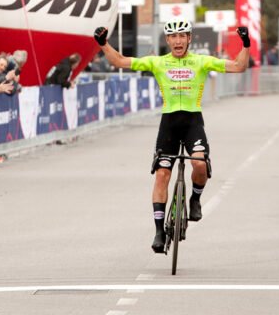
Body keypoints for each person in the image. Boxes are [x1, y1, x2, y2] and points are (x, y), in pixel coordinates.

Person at [93, 18, 250, 253]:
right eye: (173, 37)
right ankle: (158, 230)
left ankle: (195, 199)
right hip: (168, 124)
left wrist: (245, 44)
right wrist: (104, 43)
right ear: (167, 40)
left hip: (192, 122)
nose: (178, 41)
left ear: (189, 39)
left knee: (199, 163)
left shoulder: (201, 61)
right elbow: (120, 61)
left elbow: (238, 66)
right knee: (162, 174)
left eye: (182, 36)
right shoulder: (158, 62)